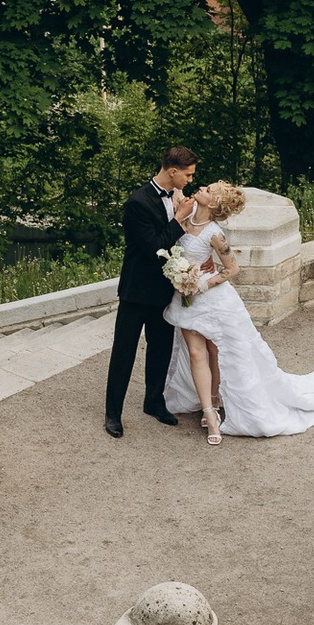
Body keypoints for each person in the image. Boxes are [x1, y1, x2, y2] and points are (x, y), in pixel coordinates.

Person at [161, 181, 314, 444]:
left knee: (214, 350)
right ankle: (209, 412)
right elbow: (174, 187)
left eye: (209, 190)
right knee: (195, 353)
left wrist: (202, 284)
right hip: (186, 298)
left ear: (213, 204)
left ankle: (214, 398)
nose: (202, 187)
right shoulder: (186, 212)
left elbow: (232, 269)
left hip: (211, 299)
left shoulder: (215, 234)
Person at [103, 146, 198, 438]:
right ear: (173, 171)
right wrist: (179, 219)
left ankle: (154, 402)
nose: (190, 180)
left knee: (161, 348)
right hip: (136, 291)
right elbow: (153, 247)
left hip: (164, 290)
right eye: (187, 175)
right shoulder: (138, 202)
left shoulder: (178, 197)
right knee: (124, 351)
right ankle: (113, 413)